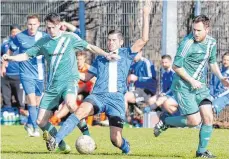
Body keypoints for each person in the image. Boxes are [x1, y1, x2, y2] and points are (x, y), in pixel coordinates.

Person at [41, 1, 152, 154]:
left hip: (117, 100)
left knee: (115, 140)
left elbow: (144, 40)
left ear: (120, 42)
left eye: (114, 40)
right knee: (79, 111)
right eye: (108, 40)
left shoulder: (126, 54)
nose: (110, 42)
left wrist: (145, 14)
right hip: (98, 96)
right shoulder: (100, 58)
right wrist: (71, 73)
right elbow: (86, 77)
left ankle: (126, 148)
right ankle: (56, 139)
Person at [2, 12, 118, 154]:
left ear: (59, 26)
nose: (50, 30)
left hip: (69, 81)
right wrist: (10, 58)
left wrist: (106, 54)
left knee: (70, 104)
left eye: (52, 27)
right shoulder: (44, 42)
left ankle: (86, 135)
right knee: (40, 122)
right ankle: (62, 145)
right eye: (48, 27)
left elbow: (90, 47)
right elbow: (26, 55)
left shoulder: (69, 38)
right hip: (52, 86)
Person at [153, 15, 229, 158]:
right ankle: (166, 121)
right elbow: (176, 66)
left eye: (199, 30)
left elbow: (212, 62)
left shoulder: (212, 43)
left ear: (207, 29)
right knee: (194, 121)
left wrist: (221, 78)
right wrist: (191, 80)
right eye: (194, 30)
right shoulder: (187, 43)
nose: (195, 33)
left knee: (208, 117)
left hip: (199, 85)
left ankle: (201, 152)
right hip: (183, 85)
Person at [6, 15, 47, 137]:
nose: (32, 26)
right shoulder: (20, 36)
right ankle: (35, 129)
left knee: (37, 102)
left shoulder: (44, 37)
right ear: (26, 24)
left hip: (40, 74)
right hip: (25, 73)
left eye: (34, 24)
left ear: (39, 24)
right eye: (30, 24)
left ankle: (29, 124)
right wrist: (5, 61)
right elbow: (11, 49)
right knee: (31, 100)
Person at [49, 51, 96, 128]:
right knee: (62, 103)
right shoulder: (72, 69)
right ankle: (55, 119)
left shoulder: (89, 69)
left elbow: (94, 81)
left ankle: (54, 119)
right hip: (74, 92)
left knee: (70, 101)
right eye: (77, 59)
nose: (78, 61)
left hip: (86, 94)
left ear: (84, 60)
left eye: (80, 59)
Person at [1, 24, 26, 115]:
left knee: (20, 100)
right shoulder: (5, 44)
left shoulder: (24, 44)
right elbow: (2, 57)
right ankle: (7, 117)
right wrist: (2, 67)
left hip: (19, 75)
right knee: (6, 99)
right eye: (13, 32)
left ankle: (22, 118)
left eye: (17, 32)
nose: (14, 34)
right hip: (6, 76)